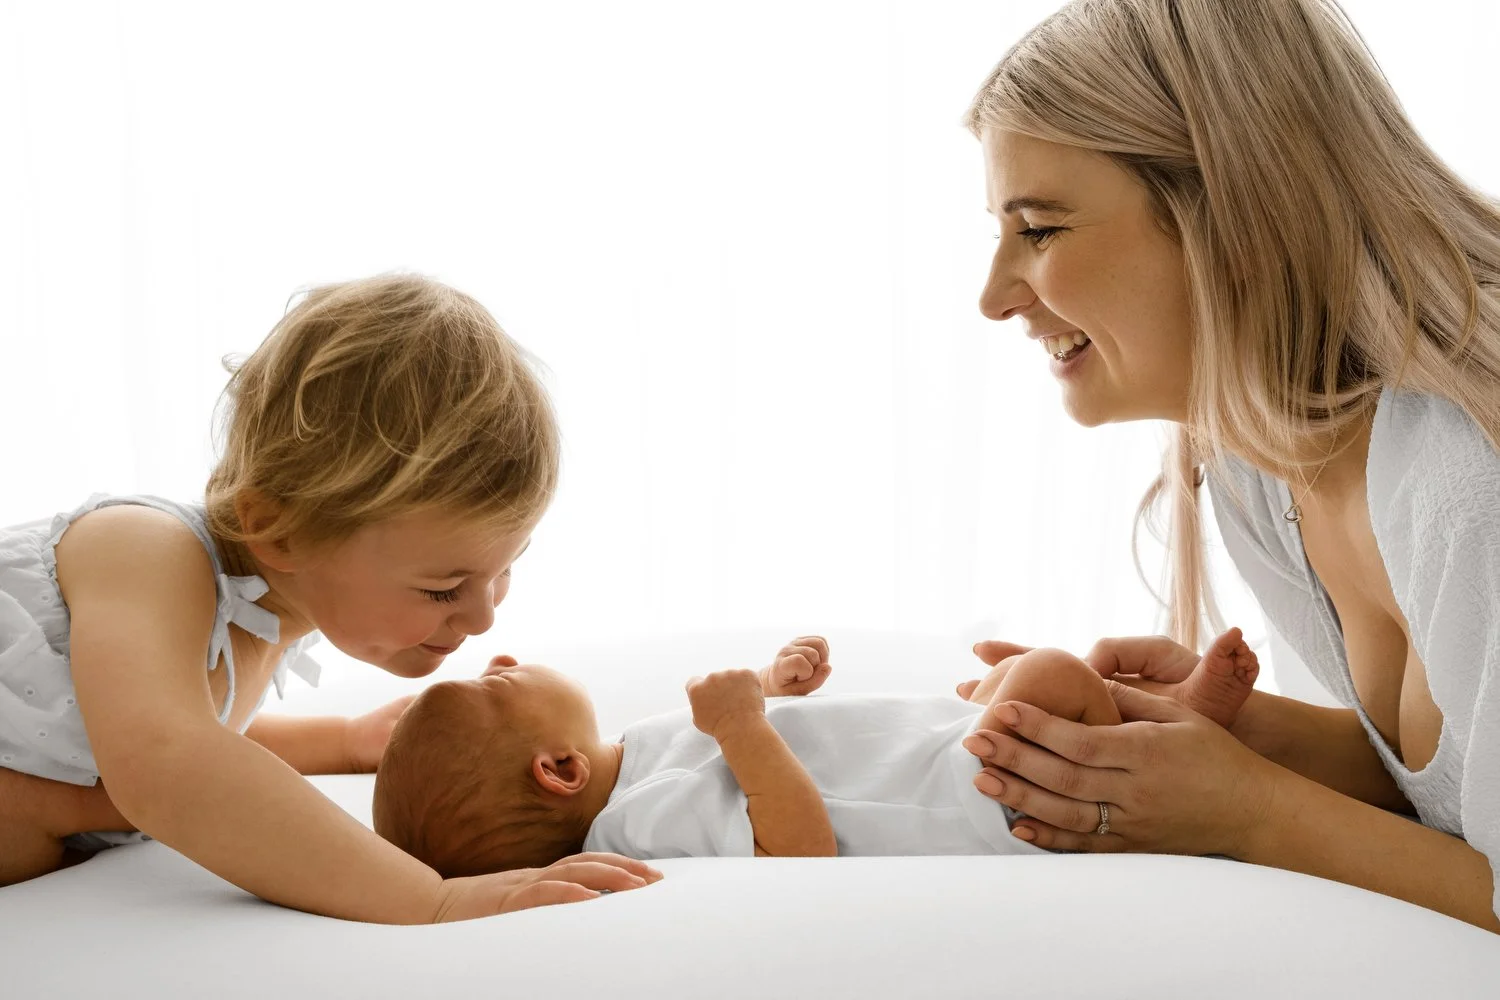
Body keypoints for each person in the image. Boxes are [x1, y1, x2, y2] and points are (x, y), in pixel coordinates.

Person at [959, 0, 1500, 931]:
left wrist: (1248, 809)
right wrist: (1237, 739)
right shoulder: (1259, 460)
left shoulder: (1461, 472)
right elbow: (1455, 792)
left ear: (1229, 209)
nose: (995, 296)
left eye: (1040, 230)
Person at [0, 274, 659, 920]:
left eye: (506, 568)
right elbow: (171, 759)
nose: (484, 617)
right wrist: (428, 897)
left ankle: (59, 812)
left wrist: (343, 742)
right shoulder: (145, 551)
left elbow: (189, 723)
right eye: (442, 588)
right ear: (279, 532)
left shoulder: (275, 600)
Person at [370, 631, 1256, 870]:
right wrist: (746, 725)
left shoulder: (633, 759)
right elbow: (795, 844)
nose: (502, 660)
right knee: (1052, 676)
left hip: (919, 752)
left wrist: (771, 688)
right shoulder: (636, 821)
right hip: (966, 795)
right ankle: (1179, 726)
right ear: (557, 771)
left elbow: (725, 742)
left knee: (1010, 681)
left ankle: (1161, 717)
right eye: (495, 687)